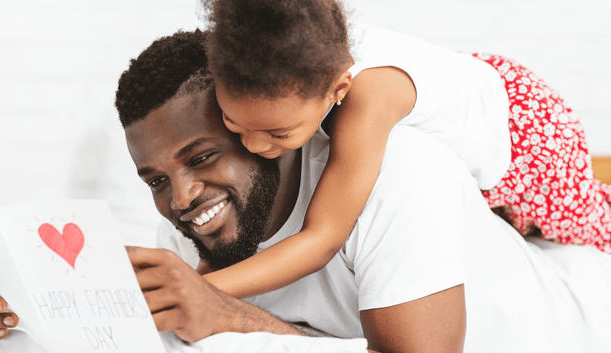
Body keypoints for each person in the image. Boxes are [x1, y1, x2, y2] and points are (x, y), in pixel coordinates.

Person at [0, 29, 610, 353]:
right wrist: (32, 312)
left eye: (203, 155)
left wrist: (228, 315)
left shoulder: (400, 171)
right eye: (156, 179)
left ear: (263, 127)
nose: (180, 199)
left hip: (590, 302)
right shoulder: (185, 231)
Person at [195, 0, 611, 300]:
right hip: (471, 78)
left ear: (338, 90)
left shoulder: (369, 94)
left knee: (584, 227)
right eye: (234, 124)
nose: (251, 145)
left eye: (278, 134)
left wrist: (203, 289)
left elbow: (322, 238)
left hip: (530, 131)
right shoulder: (274, 65)